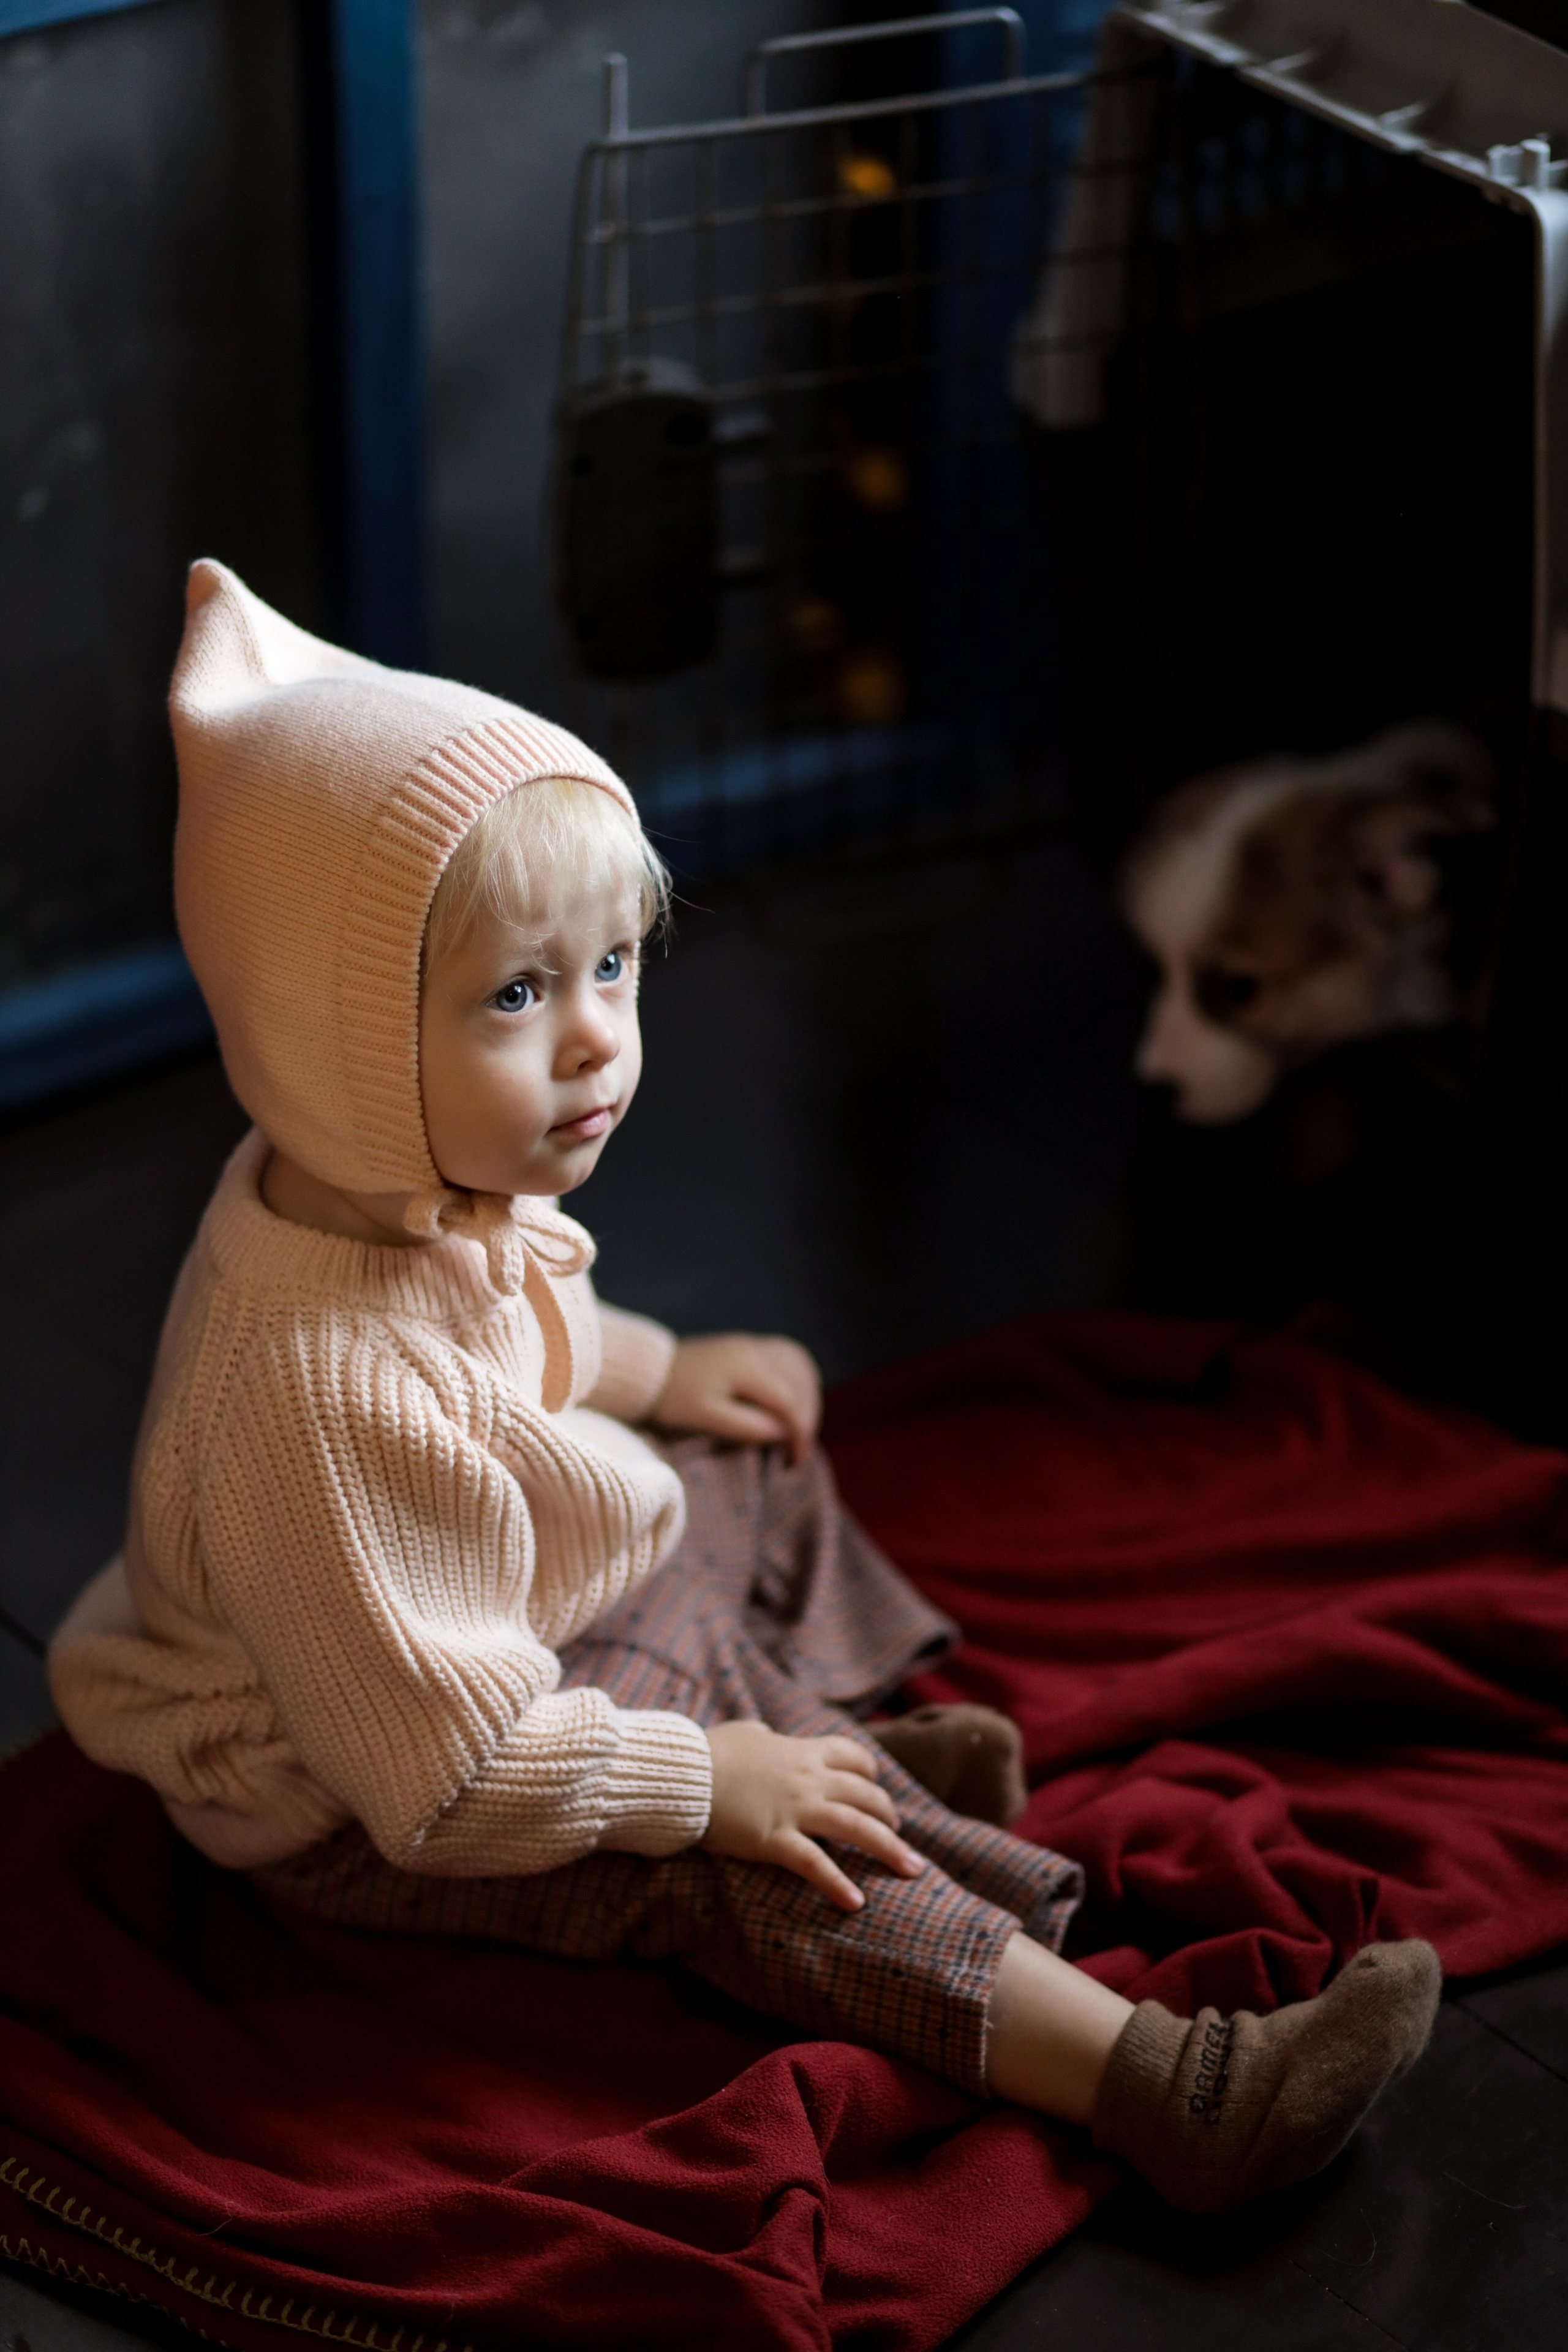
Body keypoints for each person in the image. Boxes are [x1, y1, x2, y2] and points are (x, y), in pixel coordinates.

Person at [49, 563, 1439, 2216]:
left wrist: (667, 1369)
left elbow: (528, 1346)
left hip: (477, 1632)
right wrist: (702, 1787)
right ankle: (1163, 2081)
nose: (593, 1045)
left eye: (615, 970)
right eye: (517, 994)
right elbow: (442, 1784)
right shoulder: (318, 1390)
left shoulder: (405, 1182)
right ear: (333, 1038)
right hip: (367, 1786)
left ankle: (864, 1739)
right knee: (758, 1873)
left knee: (748, 1442)